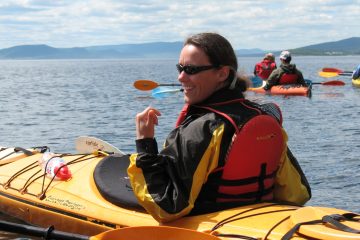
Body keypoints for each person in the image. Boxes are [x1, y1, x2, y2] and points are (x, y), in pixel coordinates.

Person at [128, 33, 311, 223]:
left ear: (222, 74)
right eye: (180, 68)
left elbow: (167, 207)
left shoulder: (201, 129)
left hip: (209, 225)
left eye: (190, 69)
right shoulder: (264, 119)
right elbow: (297, 193)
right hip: (256, 222)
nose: (180, 77)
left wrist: (145, 144)